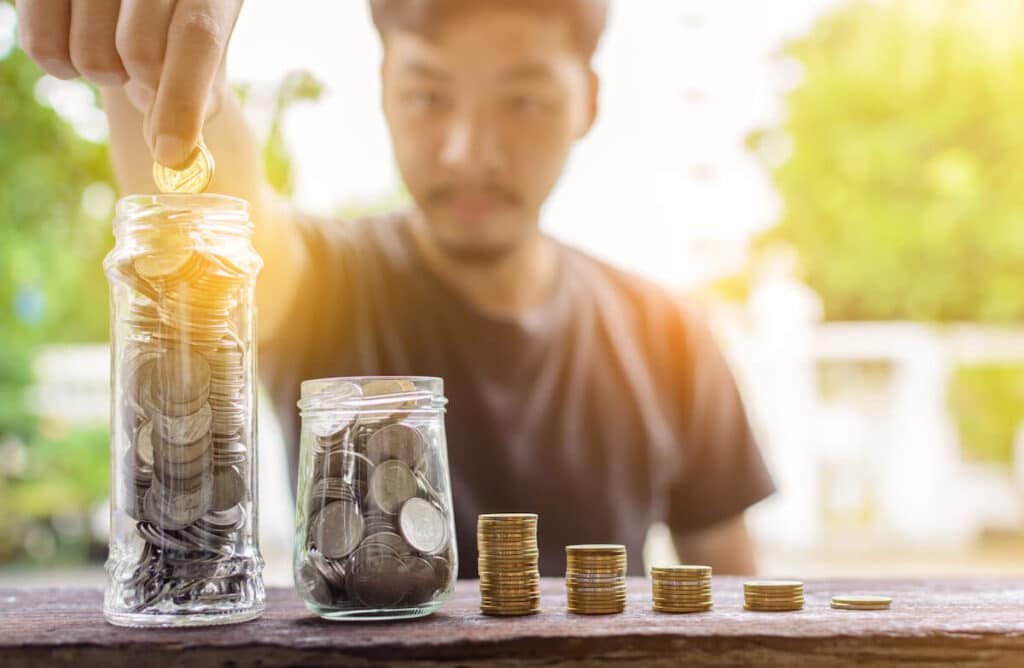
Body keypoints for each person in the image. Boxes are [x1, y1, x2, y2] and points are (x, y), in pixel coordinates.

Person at [17, 0, 775, 578]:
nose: (468, 150)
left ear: (590, 103)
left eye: (524, 101)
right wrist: (144, 62)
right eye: (428, 96)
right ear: (383, 89)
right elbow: (209, 198)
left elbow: (737, 591)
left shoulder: (671, 332)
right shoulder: (326, 285)